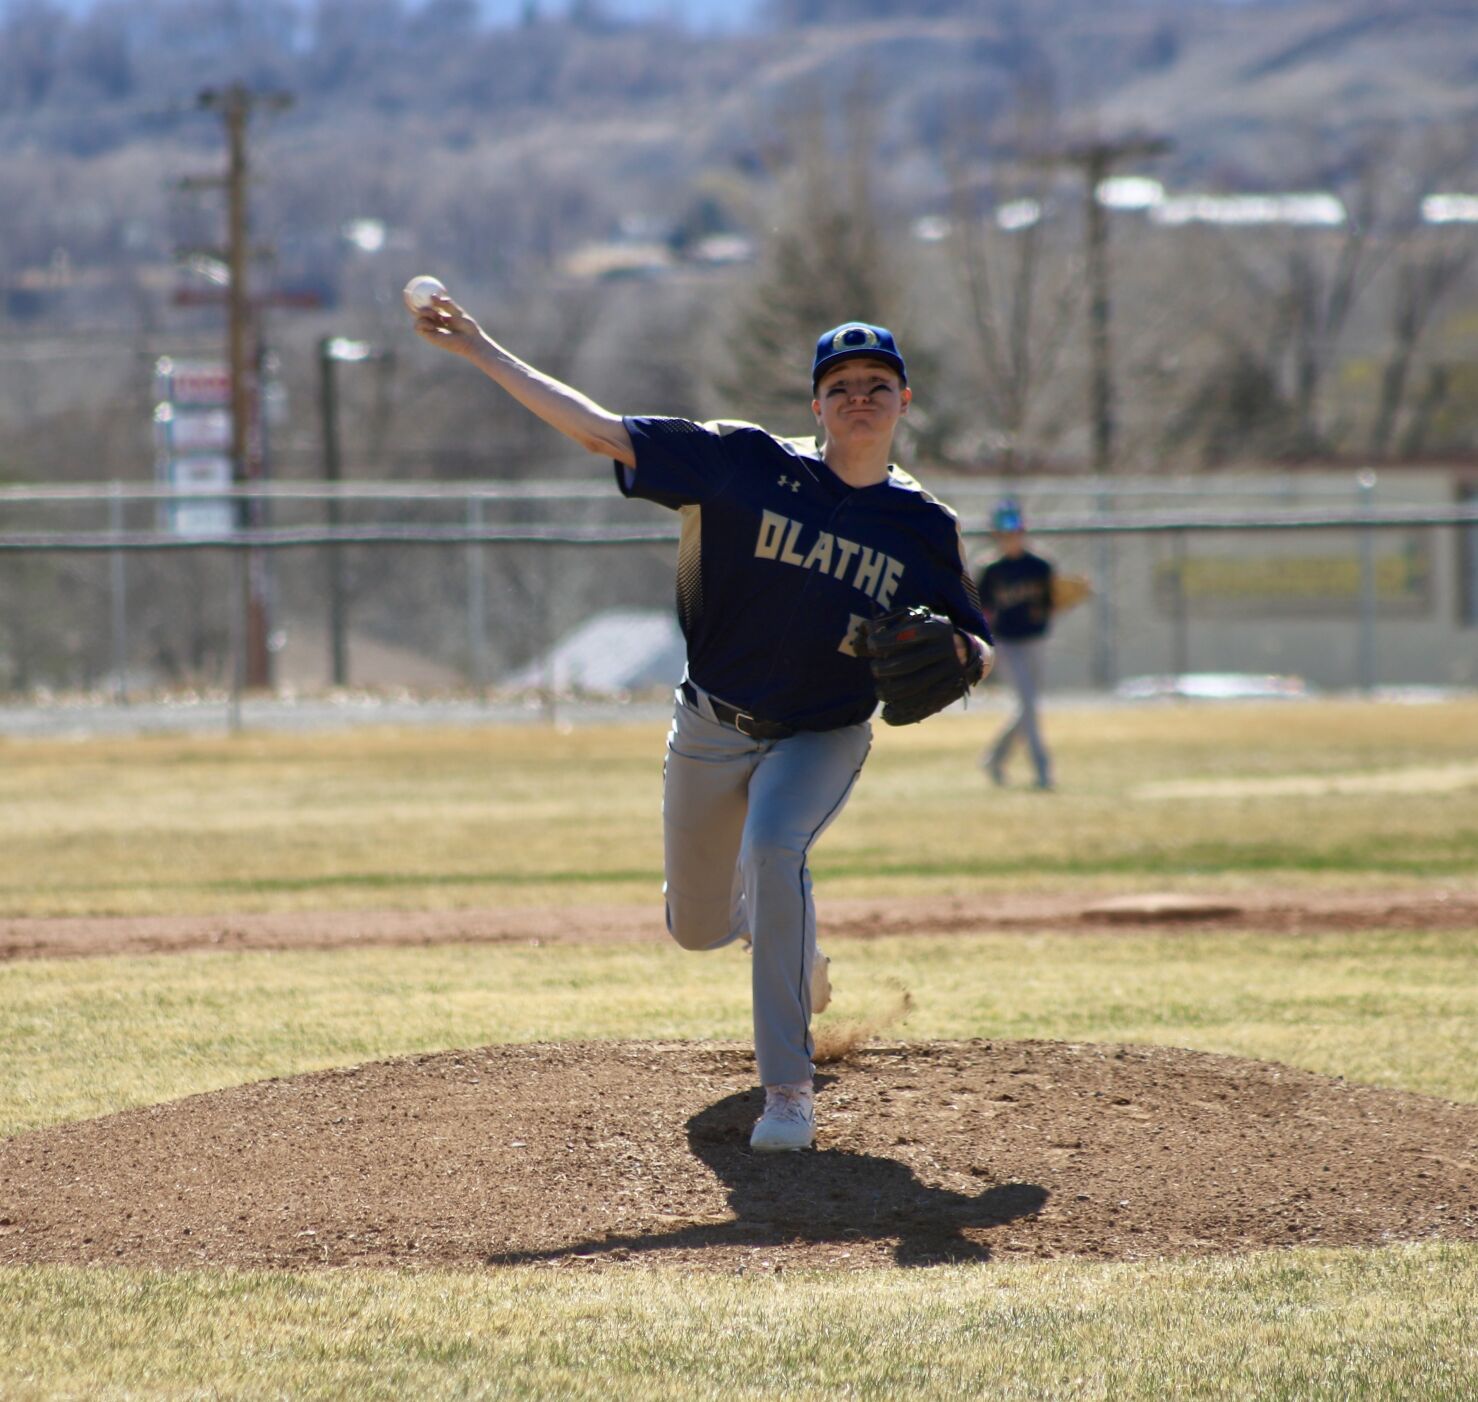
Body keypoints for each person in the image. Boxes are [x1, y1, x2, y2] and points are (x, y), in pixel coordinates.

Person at [411, 294, 993, 1152]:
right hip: (710, 724)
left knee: (775, 849)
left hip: (822, 732)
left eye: (878, 383)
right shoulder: (743, 463)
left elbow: (975, 639)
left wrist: (965, 658)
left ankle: (788, 1093)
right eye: (840, 385)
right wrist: (488, 352)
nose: (859, 397)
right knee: (694, 928)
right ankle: (791, 948)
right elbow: (602, 431)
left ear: (905, 402)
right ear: (816, 406)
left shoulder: (923, 527)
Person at [977, 498, 1060, 790]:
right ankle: (1043, 771)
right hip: (1008, 644)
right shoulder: (991, 569)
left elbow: (1051, 603)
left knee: (1028, 707)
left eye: (1014, 532)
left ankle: (995, 759)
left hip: (1036, 640)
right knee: (1028, 705)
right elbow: (982, 610)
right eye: (1003, 533)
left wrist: (1057, 603)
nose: (1010, 538)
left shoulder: (1040, 565)